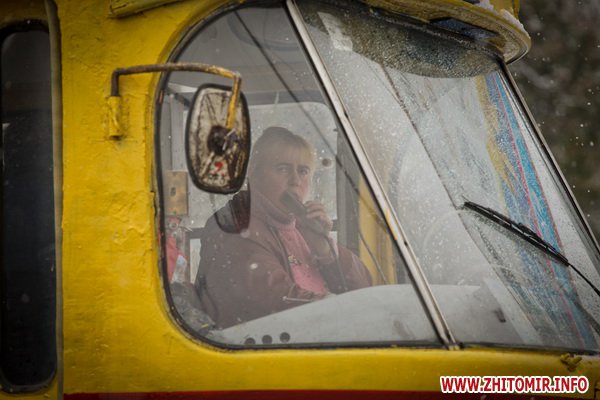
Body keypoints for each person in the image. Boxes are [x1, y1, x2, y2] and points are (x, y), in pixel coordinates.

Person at [195, 127, 371, 328]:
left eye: (303, 171)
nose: (295, 181)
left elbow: (365, 289)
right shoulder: (236, 225)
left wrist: (326, 252)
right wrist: (347, 312)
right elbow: (275, 300)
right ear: (255, 175)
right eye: (283, 169)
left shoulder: (301, 226)